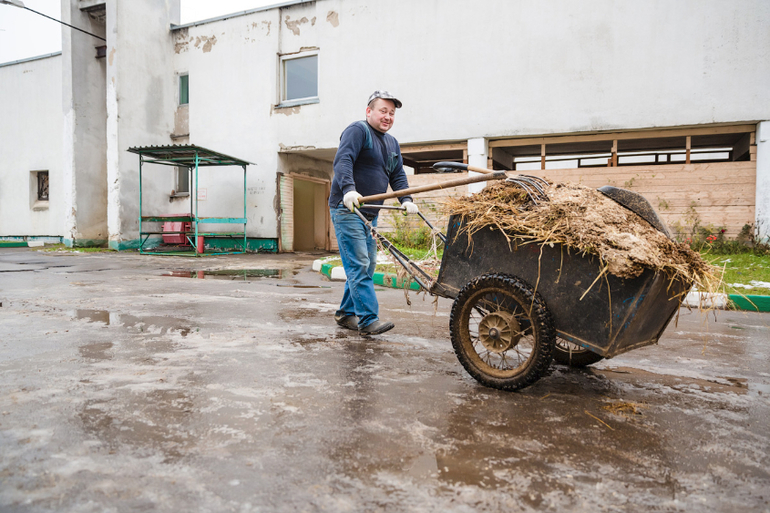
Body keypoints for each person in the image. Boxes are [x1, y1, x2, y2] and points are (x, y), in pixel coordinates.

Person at [328, 90, 419, 335]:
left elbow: (397, 174)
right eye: (383, 111)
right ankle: (368, 320)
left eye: (392, 113)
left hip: (370, 213)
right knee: (358, 265)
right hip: (348, 209)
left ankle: (346, 313)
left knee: (366, 267)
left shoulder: (391, 143)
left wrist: (406, 199)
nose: (388, 116)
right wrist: (348, 189)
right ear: (369, 111)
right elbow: (343, 160)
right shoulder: (358, 131)